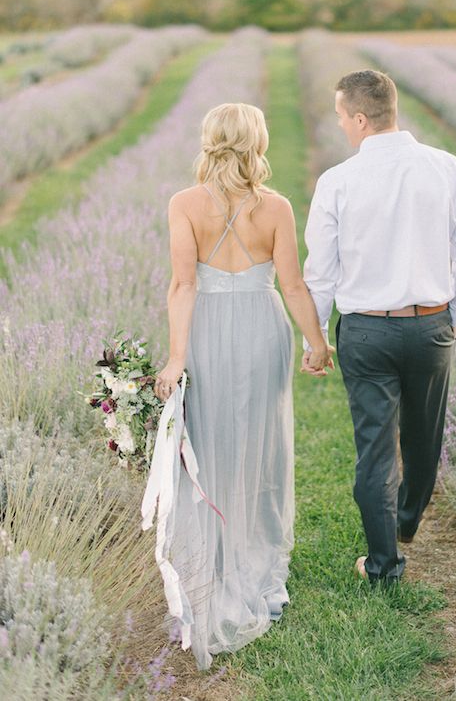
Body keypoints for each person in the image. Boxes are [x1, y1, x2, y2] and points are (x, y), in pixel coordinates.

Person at [153, 103, 333, 669]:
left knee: (207, 446)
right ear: (257, 141)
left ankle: (215, 564)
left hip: (206, 328)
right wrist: (316, 343)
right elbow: (294, 284)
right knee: (258, 444)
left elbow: (184, 284)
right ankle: (251, 559)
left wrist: (176, 358)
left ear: (209, 141)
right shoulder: (274, 207)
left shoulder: (185, 204)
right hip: (262, 328)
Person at [302, 70, 456, 585]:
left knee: (375, 448)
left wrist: (314, 338)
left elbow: (321, 270)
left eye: (341, 117)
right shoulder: (447, 169)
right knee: (425, 440)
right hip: (431, 326)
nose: (340, 126)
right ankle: (406, 522)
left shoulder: (337, 181)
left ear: (360, 118)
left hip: (365, 331)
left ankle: (383, 564)